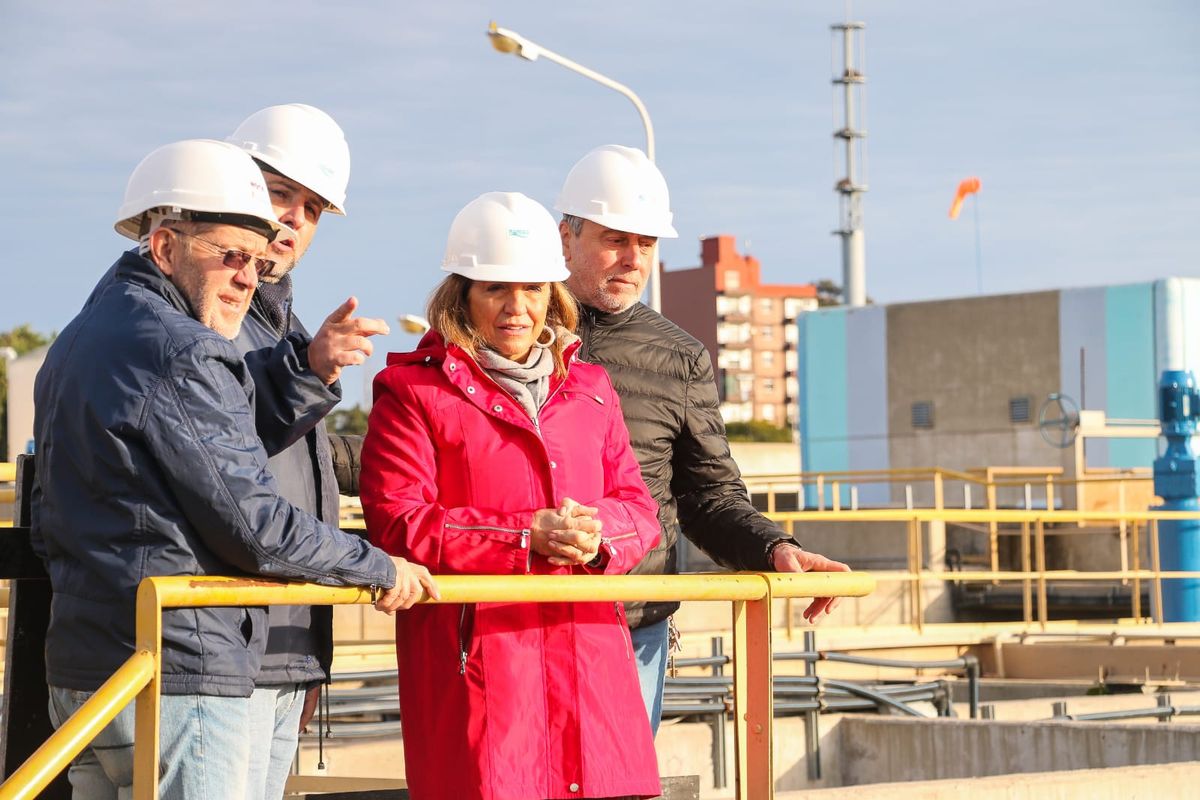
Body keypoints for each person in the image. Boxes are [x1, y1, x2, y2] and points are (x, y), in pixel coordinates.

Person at [31, 139, 437, 800]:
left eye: (253, 260)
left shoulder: (79, 339)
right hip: (177, 676)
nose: (247, 277)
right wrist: (380, 567)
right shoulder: (183, 350)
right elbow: (254, 524)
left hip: (87, 670)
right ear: (163, 247)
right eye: (229, 256)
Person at [360, 192, 662, 800]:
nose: (516, 307)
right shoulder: (412, 392)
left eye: (533, 288)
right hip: (482, 666)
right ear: (462, 295)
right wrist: (526, 537)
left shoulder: (591, 387)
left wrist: (599, 531)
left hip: (590, 661)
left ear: (555, 293)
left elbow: (639, 507)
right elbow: (398, 522)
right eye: (496, 288)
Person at [555, 144, 851, 734]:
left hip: (633, 625)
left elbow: (709, 497)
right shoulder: (506, 332)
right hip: (514, 619)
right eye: (615, 239)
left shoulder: (678, 358)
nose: (633, 259)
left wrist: (774, 550)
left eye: (646, 243)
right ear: (567, 238)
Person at [225, 103, 387, 800]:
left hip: (278, 644)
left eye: (312, 207)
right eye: (278, 193)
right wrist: (308, 371)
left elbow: (289, 471)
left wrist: (308, 659)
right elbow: (218, 455)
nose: (293, 219)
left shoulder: (273, 320)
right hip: (228, 647)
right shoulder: (202, 313)